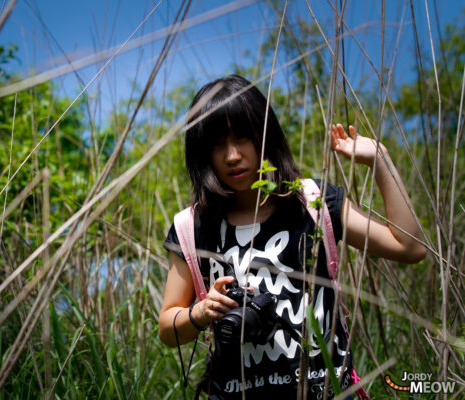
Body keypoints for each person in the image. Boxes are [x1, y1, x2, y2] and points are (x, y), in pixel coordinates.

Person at [158, 75, 426, 399]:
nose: (232, 156)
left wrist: (379, 159)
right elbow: (168, 329)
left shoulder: (313, 203)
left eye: (242, 138)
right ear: (202, 153)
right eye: (217, 145)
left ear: (264, 136)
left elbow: (410, 247)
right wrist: (199, 313)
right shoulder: (193, 226)